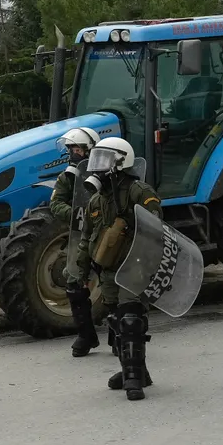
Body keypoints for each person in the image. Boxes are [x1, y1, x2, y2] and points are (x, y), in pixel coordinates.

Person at [77, 137, 162, 401]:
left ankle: (134, 378)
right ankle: (134, 369)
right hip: (109, 270)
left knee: (130, 319)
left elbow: (155, 225)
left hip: (133, 266)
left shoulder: (138, 191)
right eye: (96, 160)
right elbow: (85, 239)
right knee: (116, 320)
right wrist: (81, 273)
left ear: (120, 162)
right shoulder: (95, 202)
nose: (97, 168)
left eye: (104, 161)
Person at [50, 126, 102, 357]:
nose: (72, 153)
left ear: (89, 150)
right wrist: (75, 214)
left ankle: (119, 332)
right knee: (73, 284)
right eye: (70, 148)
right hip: (81, 236)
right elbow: (56, 203)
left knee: (112, 284)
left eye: (77, 148)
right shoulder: (67, 178)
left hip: (106, 237)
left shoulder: (105, 172)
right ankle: (85, 335)